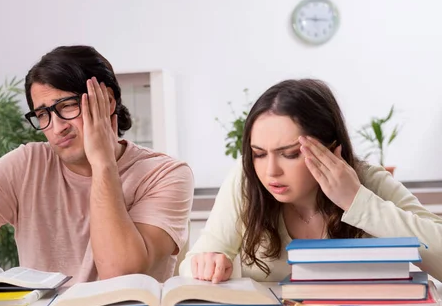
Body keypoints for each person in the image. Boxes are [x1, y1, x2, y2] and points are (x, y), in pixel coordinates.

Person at [0, 45, 194, 284]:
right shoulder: (27, 166)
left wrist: (102, 164)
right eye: (44, 114)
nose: (57, 126)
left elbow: (119, 272)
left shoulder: (165, 174)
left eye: (68, 106)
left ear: (108, 102)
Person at [179, 78, 442, 283]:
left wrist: (355, 201)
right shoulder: (246, 180)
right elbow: (193, 263)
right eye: (258, 154)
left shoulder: (367, 181)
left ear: (330, 147)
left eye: (290, 154)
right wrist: (205, 264)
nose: (271, 171)